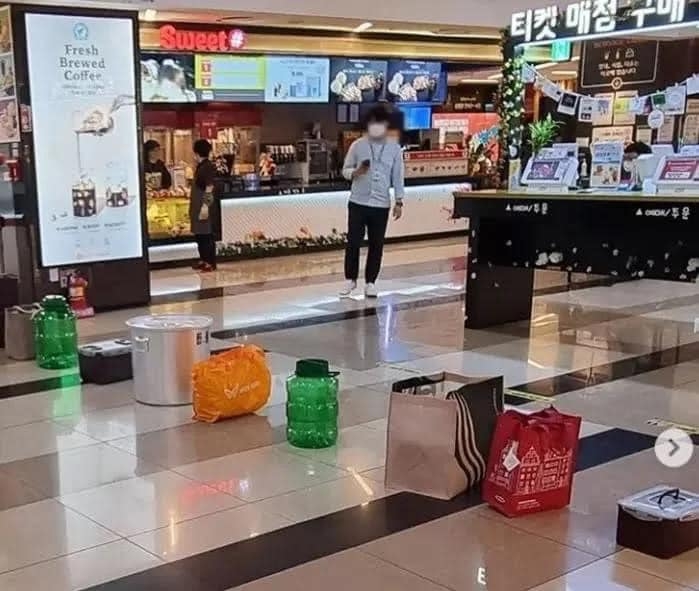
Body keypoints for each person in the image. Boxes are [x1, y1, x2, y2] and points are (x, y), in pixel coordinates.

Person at [340, 105, 405, 298]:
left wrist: (399, 201)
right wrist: (355, 173)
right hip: (358, 202)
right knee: (353, 241)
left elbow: (398, 176)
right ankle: (350, 280)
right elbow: (345, 170)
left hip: (381, 204)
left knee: (376, 244)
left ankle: (370, 282)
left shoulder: (394, 148)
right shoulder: (358, 145)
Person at [190, 139, 217, 272]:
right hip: (197, 205)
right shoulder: (201, 166)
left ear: (196, 153)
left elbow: (209, 187)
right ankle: (203, 259)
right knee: (199, 235)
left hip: (204, 205)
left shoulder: (207, 167)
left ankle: (210, 262)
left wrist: (205, 207)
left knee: (206, 235)